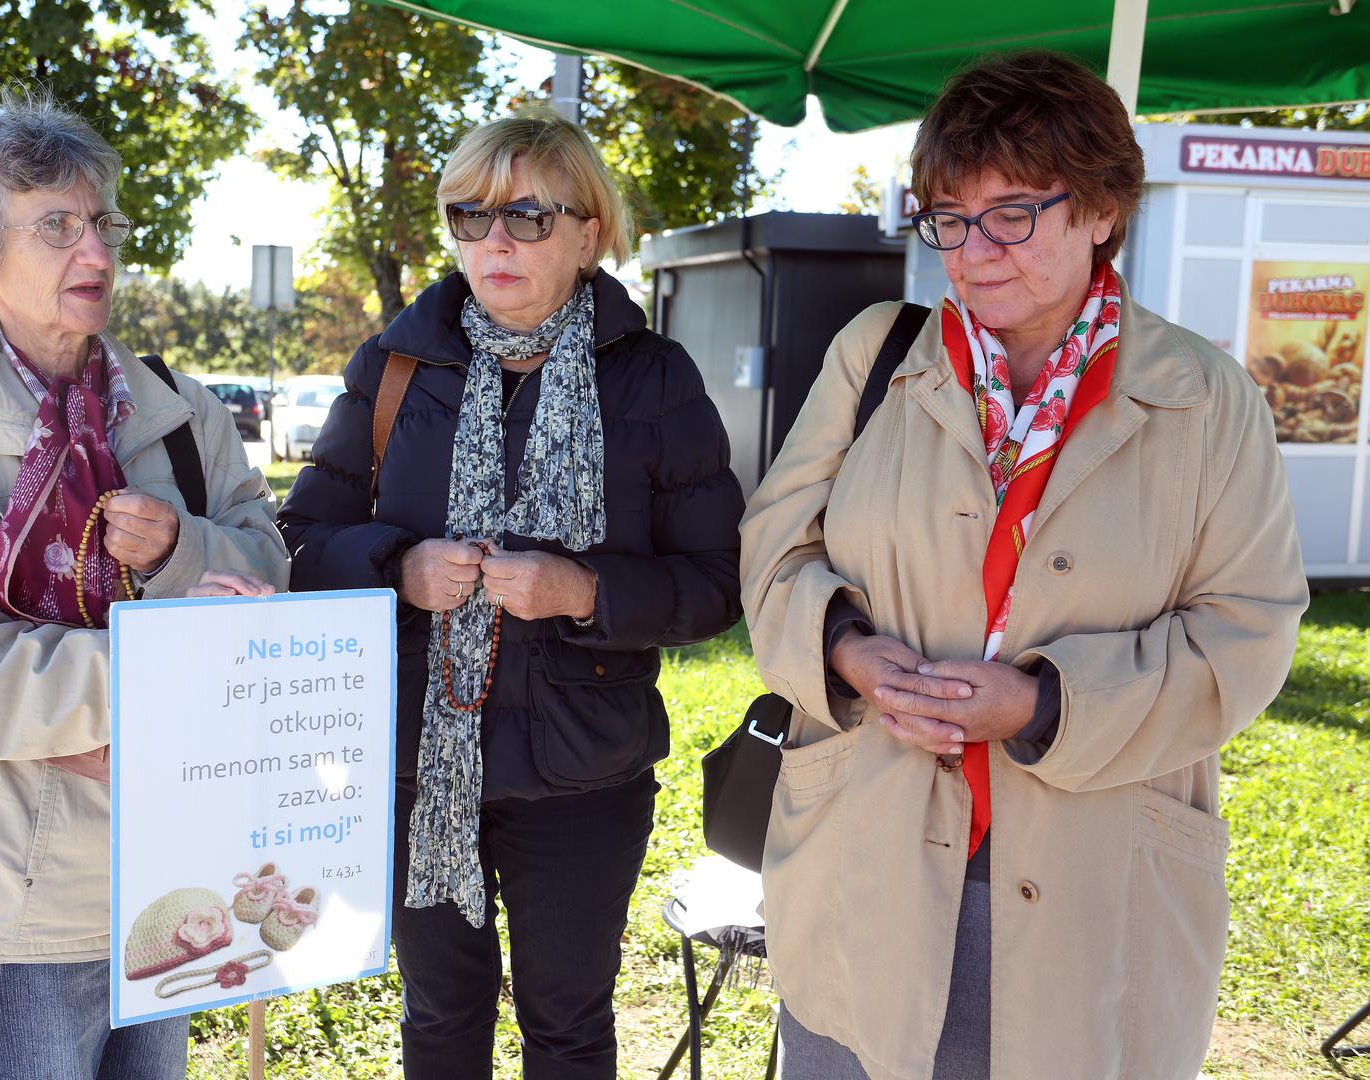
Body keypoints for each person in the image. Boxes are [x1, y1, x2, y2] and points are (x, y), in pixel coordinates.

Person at [739, 51, 1308, 1080]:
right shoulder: (875, 353)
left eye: (1011, 215)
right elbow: (774, 550)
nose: (972, 252)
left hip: (1092, 881)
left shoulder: (1205, 396)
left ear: (1100, 209)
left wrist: (1044, 705)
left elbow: (1248, 632)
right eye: (948, 219)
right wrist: (847, 651)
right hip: (864, 858)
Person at [277, 110, 744, 1078]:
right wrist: (397, 568)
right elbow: (301, 544)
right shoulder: (392, 368)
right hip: (414, 760)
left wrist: (584, 590)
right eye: (470, 215)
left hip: (584, 771)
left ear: (587, 232)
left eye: (527, 217)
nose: (494, 241)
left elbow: (716, 582)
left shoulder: (652, 378)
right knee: (440, 1017)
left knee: (566, 1025)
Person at [0, 90, 288, 1079]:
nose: (95, 251)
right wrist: (151, 680)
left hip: (174, 885)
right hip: (22, 910)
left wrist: (182, 549)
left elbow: (271, 569)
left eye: (101, 223)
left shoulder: (183, 416)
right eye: (55, 226)